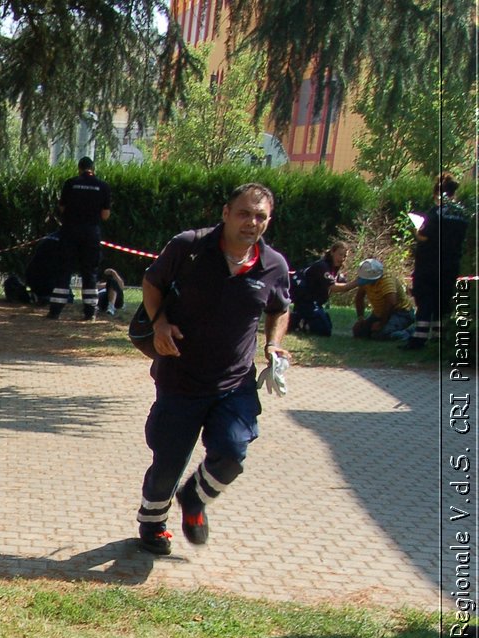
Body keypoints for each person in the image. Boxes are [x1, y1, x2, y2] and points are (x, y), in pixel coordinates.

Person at [134, 183, 292, 556]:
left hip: (234, 383)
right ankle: (153, 522)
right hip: (180, 377)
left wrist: (272, 344)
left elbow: (279, 308)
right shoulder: (188, 247)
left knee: (233, 451)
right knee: (168, 462)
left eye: (260, 217)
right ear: (226, 213)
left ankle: (194, 499)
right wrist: (159, 323)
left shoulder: (274, 265)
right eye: (244, 213)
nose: (251, 223)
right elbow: (151, 283)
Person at [405, 173, 471, 351]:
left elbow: (424, 236)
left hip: (429, 264)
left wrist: (416, 231)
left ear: (437, 194)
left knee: (425, 300)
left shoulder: (436, 212)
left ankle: (418, 339)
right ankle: (438, 340)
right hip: (451, 265)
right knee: (442, 302)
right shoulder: (461, 213)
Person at [50, 157, 112, 321]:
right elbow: (105, 215)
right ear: (93, 168)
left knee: (64, 269)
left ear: (79, 168)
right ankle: (90, 311)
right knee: (90, 272)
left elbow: (62, 207)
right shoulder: (102, 186)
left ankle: (55, 310)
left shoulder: (70, 183)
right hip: (91, 234)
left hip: (70, 231)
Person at [290, 241, 352, 335]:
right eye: (340, 254)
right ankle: (293, 320)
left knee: (326, 328)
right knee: (324, 330)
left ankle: (300, 320)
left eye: (345, 256)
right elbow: (334, 287)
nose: (342, 258)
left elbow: (342, 286)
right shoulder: (322, 266)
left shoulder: (335, 270)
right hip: (306, 301)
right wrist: (358, 282)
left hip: (315, 304)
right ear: (332, 252)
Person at [351, 258, 415, 341]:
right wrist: (361, 318)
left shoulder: (386, 279)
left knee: (382, 334)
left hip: (401, 312)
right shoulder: (365, 280)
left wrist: (382, 323)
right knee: (359, 332)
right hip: (380, 312)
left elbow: (391, 302)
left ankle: (411, 332)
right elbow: (359, 298)